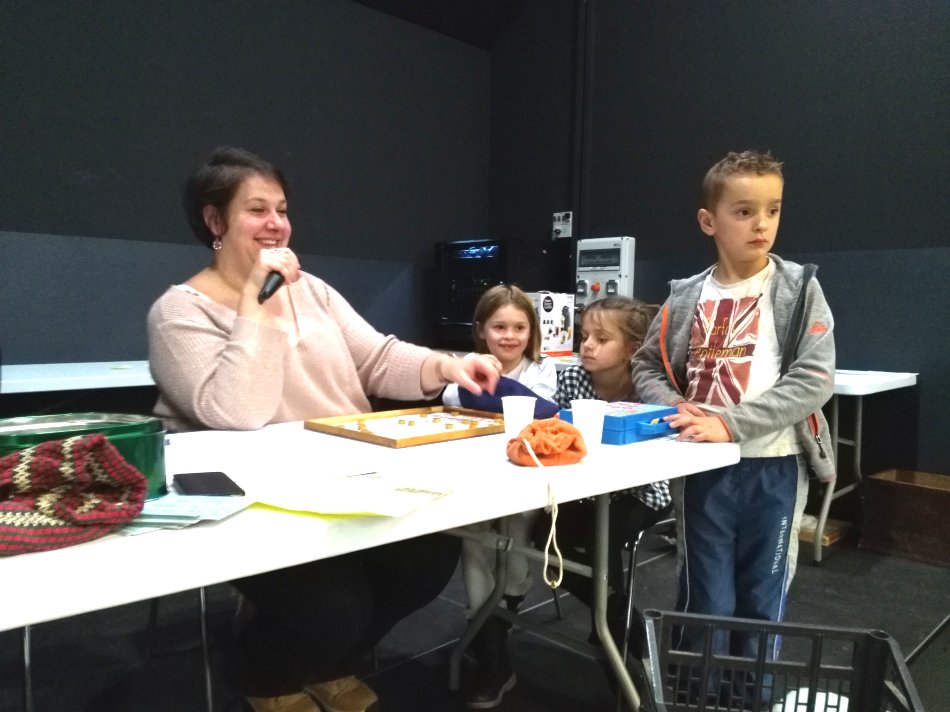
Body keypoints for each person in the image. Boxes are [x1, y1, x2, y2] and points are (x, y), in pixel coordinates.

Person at [147, 146, 500, 712]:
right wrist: (256, 304)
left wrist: (445, 365)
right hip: (254, 498)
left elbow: (377, 358)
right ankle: (266, 678)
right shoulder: (179, 312)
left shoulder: (312, 290)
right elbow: (236, 412)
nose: (276, 223)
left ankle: (329, 664)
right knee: (335, 605)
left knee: (428, 560)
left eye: (282, 209)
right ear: (215, 221)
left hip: (344, 475)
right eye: (256, 209)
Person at [631, 150, 835, 699]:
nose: (761, 223)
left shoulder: (800, 288)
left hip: (775, 467)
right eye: (744, 211)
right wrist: (675, 406)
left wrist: (732, 424)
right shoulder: (685, 295)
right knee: (707, 596)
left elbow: (815, 379)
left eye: (773, 210)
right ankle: (696, 696)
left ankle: (752, 700)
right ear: (709, 221)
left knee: (762, 597)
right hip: (704, 470)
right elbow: (646, 365)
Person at [442, 284, 558, 709]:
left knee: (516, 534)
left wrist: (491, 388)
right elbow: (451, 396)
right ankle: (487, 638)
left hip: (525, 478)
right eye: (499, 327)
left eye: (519, 328)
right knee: (474, 538)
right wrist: (489, 388)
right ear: (481, 330)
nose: (509, 336)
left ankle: (500, 619)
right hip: (476, 475)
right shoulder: (462, 367)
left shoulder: (542, 369)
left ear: (531, 332)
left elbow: (543, 408)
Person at [548, 297, 672, 653]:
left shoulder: (647, 387)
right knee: (544, 537)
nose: (587, 345)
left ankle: (611, 632)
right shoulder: (573, 379)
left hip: (641, 490)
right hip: (585, 488)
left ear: (632, 349)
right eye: (584, 336)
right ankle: (617, 617)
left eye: (601, 339)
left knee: (600, 534)